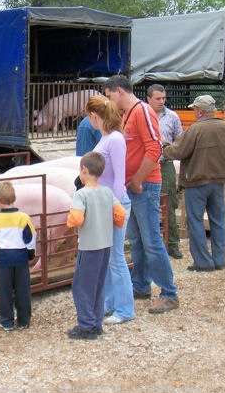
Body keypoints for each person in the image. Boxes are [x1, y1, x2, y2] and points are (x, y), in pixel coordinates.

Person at [103, 74, 179, 315]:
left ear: (119, 92)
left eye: (108, 96)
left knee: (152, 240)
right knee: (137, 239)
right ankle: (141, 285)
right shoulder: (128, 115)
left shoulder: (142, 111)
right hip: (134, 186)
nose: (109, 102)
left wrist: (137, 179)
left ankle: (169, 292)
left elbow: (155, 147)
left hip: (144, 185)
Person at [162, 95, 225, 272]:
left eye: (195, 109)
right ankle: (220, 260)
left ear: (200, 111)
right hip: (218, 182)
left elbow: (177, 152)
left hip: (196, 182)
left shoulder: (195, 130)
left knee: (195, 221)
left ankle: (203, 262)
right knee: (218, 221)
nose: (194, 112)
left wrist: (165, 146)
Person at [85, 95, 135, 325]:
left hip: (113, 203)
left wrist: (112, 206)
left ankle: (125, 309)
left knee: (115, 258)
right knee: (109, 257)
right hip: (106, 202)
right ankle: (110, 303)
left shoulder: (114, 139)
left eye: (90, 117)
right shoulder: (106, 138)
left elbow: (119, 179)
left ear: (95, 116)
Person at [66, 151, 126, 339]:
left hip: (88, 246)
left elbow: (76, 218)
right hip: (105, 245)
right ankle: (96, 322)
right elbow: (121, 214)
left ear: (84, 170)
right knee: (99, 285)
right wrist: (114, 224)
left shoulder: (81, 195)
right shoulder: (107, 192)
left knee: (82, 287)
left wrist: (69, 221)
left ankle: (86, 326)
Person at [0, 181, 36, 332]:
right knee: (22, 290)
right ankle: (24, 320)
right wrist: (30, 252)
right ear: (14, 198)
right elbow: (31, 238)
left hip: (4, 258)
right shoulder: (24, 218)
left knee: (5, 291)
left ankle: (6, 322)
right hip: (20, 258)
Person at [147, 84, 184, 259]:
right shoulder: (143, 115)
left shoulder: (172, 117)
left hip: (165, 164)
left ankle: (172, 244)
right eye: (158, 98)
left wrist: (169, 148)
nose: (161, 102)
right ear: (149, 99)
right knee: (146, 203)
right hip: (146, 164)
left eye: (163, 98)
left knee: (169, 203)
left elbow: (180, 142)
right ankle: (150, 244)